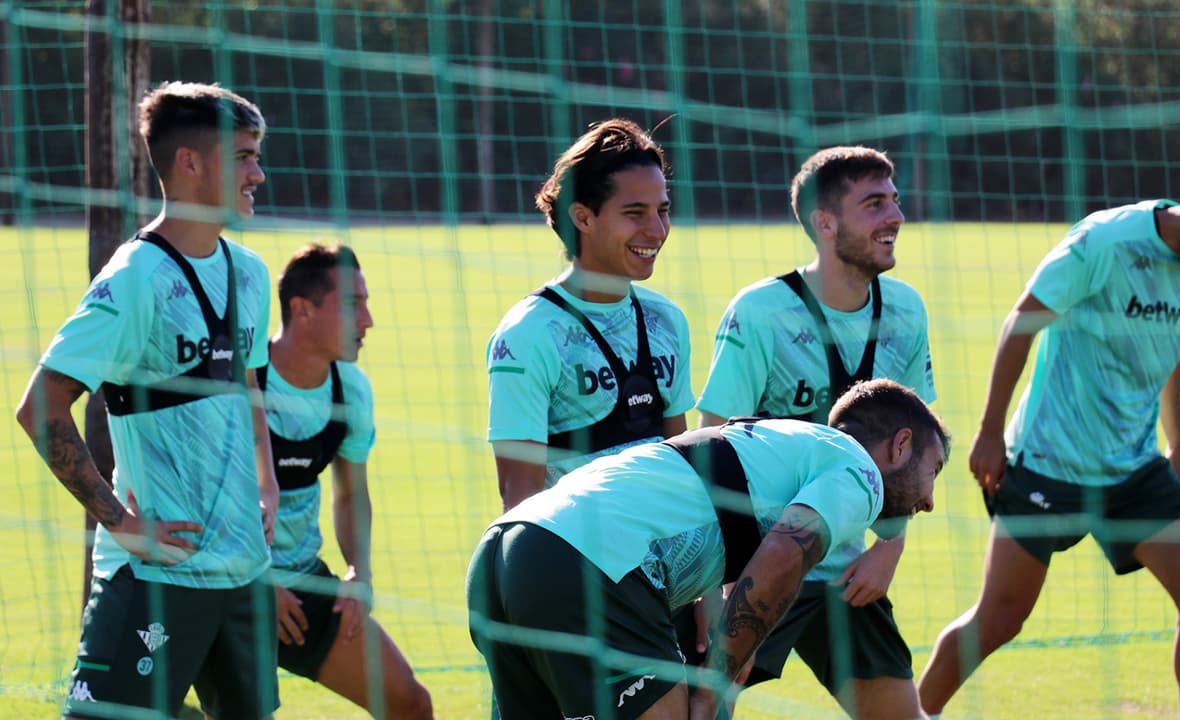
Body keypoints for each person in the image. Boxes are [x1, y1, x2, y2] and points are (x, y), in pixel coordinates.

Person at [917, 180, 1180, 720]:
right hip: (1050, 460)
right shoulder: (1106, 242)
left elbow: (1172, 345)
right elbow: (1022, 320)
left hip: (1133, 468)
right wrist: (990, 431)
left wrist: (1176, 443)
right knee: (999, 619)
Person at [15, 81, 280, 719]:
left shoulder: (249, 272)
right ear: (189, 162)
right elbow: (40, 406)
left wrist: (267, 483)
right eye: (243, 157)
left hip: (244, 575)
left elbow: (248, 388)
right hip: (157, 578)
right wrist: (120, 523)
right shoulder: (136, 278)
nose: (258, 174)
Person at [467, 378, 951, 720]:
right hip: (594, 564)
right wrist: (716, 682)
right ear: (900, 445)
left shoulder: (771, 438)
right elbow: (785, 554)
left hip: (504, 552)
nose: (928, 501)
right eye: (933, 471)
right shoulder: (858, 469)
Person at [696, 146, 935, 717]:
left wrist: (889, 548)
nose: (895, 216)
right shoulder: (761, 312)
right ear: (825, 223)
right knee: (696, 709)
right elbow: (709, 452)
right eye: (874, 204)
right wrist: (715, 589)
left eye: (894, 200)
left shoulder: (906, 310)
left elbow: (911, 453)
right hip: (755, 570)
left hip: (845, 571)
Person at [260, 244, 433, 718]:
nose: (368, 321)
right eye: (354, 304)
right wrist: (256, 582)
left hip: (302, 582)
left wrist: (360, 572)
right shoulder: (241, 380)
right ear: (303, 309)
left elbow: (351, 492)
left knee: (411, 705)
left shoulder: (350, 390)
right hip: (229, 584)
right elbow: (203, 496)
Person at [486, 117, 694, 511]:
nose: (657, 230)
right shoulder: (529, 333)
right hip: (572, 549)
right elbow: (519, 499)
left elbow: (679, 469)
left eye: (663, 210)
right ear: (583, 217)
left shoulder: (667, 320)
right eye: (635, 213)